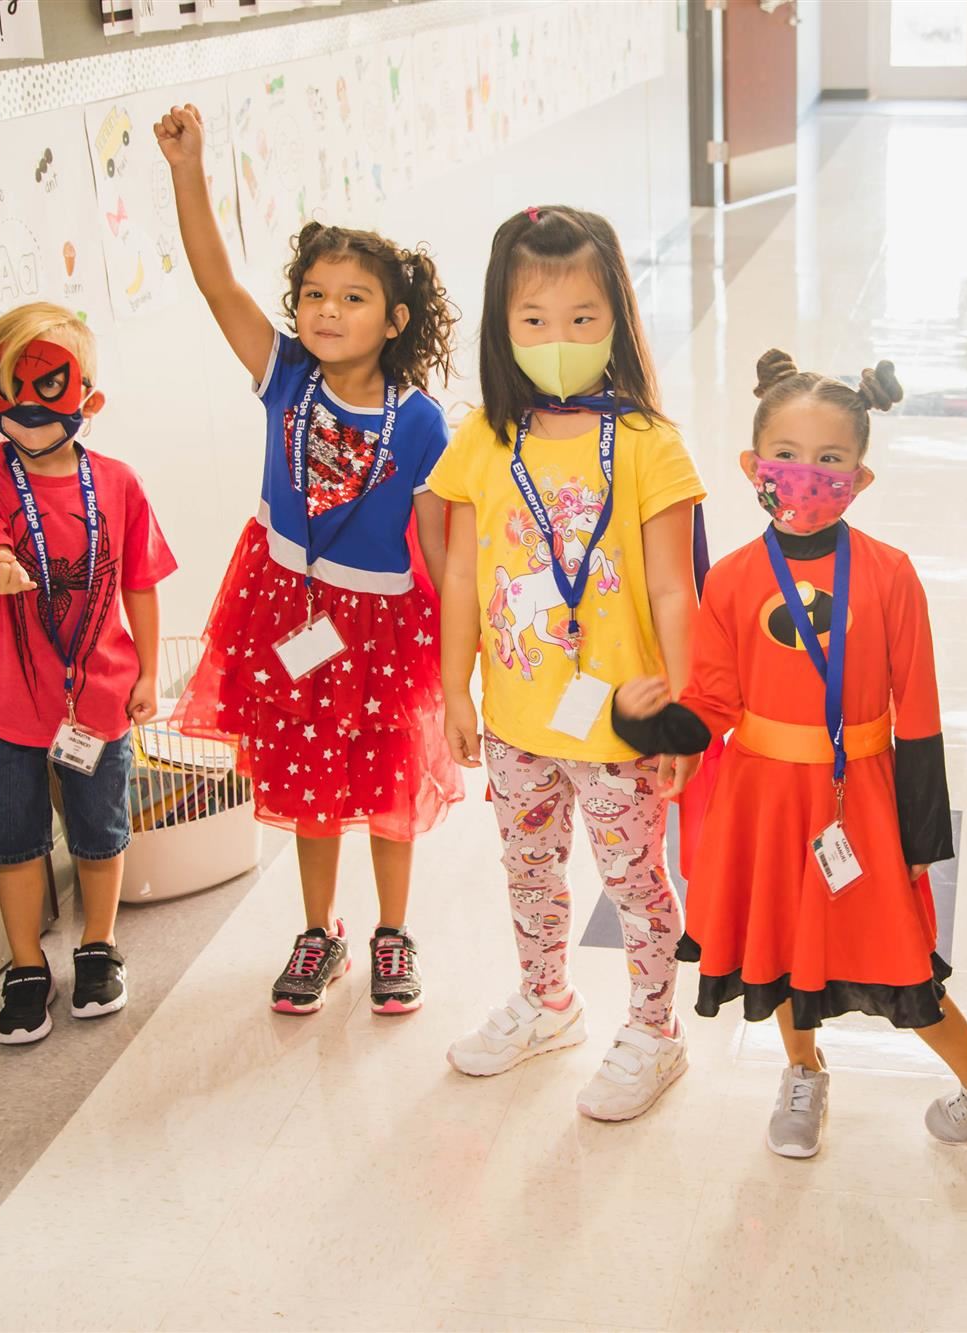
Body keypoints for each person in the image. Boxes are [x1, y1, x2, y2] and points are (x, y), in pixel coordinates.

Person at [612, 350, 967, 1158]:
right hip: (764, 797)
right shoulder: (737, 578)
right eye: (786, 456)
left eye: (830, 461)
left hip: (861, 799)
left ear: (861, 477)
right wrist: (654, 724)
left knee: (903, 962)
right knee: (780, 950)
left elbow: (919, 710)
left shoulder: (889, 575)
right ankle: (803, 1070)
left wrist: (918, 839)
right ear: (752, 465)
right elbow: (712, 701)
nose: (805, 475)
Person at [156, 103, 462, 1016]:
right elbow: (217, 286)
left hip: (379, 623)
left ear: (395, 318)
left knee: (386, 781)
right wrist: (188, 168)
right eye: (315, 295)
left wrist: (461, 658)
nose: (327, 311)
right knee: (308, 782)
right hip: (285, 605)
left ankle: (392, 935)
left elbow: (441, 543)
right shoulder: (286, 375)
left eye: (353, 297)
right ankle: (318, 933)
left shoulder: (418, 421)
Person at [431, 205, 704, 1123]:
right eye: (534, 321)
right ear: (501, 330)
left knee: (634, 882)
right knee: (528, 871)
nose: (559, 339)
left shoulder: (648, 444)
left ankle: (657, 1030)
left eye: (583, 318)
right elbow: (462, 571)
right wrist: (452, 689)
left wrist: (683, 710)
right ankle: (547, 1002)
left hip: (619, 723)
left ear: (617, 320)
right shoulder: (479, 441)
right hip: (516, 717)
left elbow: (674, 591)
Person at [0, 302, 176, 1045]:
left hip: (99, 694)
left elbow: (141, 579)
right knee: (12, 840)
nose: (31, 408)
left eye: (52, 388)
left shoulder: (118, 483)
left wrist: (145, 668)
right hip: (4, 702)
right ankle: (24, 965)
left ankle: (97, 946)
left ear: (89, 401)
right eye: (12, 389)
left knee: (100, 832)